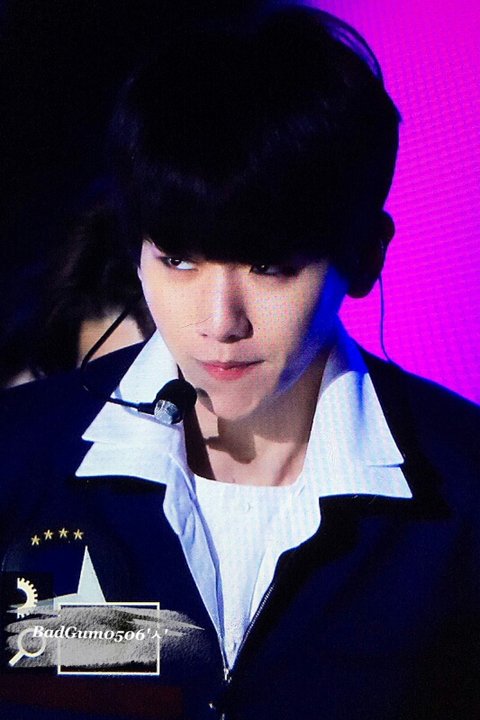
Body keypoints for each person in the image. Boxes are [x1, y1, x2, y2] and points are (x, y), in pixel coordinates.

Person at [1, 6, 479, 720]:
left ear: (365, 255)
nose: (220, 321)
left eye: (269, 265)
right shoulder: (17, 454)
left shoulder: (464, 491)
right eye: (178, 260)